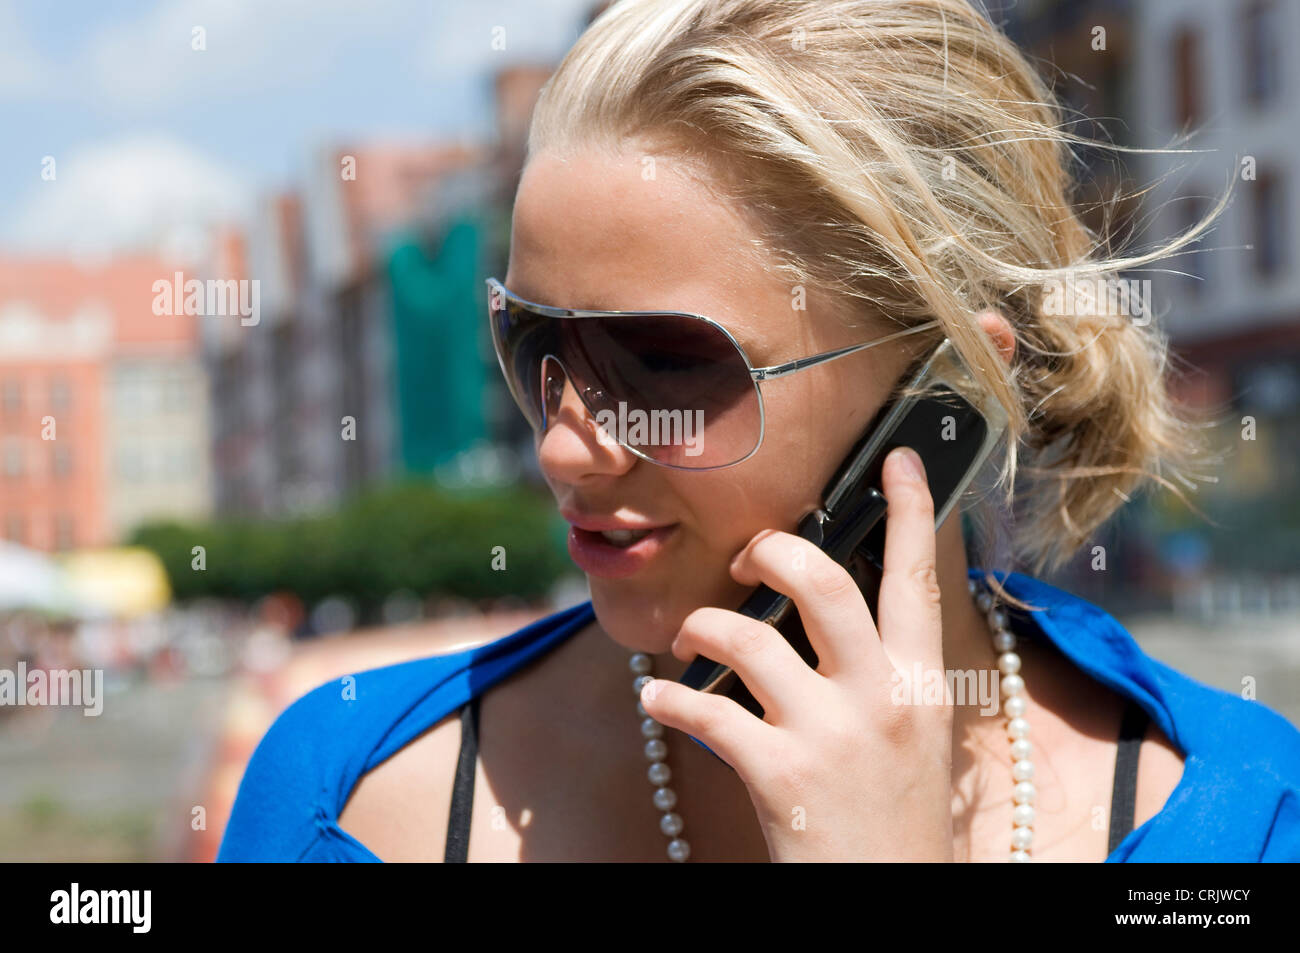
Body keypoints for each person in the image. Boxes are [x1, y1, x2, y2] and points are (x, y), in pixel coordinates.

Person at [217, 0, 1300, 862]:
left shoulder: (1240, 816)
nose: (562, 446)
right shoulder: (353, 795)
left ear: (948, 390)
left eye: (664, 362)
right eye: (532, 342)